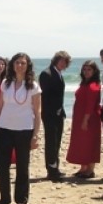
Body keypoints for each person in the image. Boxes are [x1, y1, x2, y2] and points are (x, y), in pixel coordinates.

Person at [0, 53, 41, 204]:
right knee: (2, 166)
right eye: (17, 62)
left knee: (22, 166)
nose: (20, 65)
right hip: (4, 128)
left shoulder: (33, 86)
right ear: (12, 65)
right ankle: (4, 199)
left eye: (23, 63)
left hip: (24, 129)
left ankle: (21, 199)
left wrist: (35, 135)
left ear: (28, 65)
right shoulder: (6, 83)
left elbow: (38, 111)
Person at [66, 60, 102, 179]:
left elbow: (90, 105)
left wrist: (85, 120)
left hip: (90, 118)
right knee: (82, 143)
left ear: (94, 71)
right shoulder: (84, 83)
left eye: (89, 69)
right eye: (85, 69)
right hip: (80, 117)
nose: (86, 72)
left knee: (90, 143)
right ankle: (83, 168)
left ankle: (90, 170)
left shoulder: (94, 85)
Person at [40, 50, 71, 182]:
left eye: (66, 62)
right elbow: (45, 96)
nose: (63, 64)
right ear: (56, 60)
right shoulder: (46, 74)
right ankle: (51, 170)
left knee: (57, 142)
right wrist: (53, 110)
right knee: (51, 142)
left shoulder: (59, 74)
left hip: (59, 113)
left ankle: (55, 167)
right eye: (62, 61)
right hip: (50, 114)